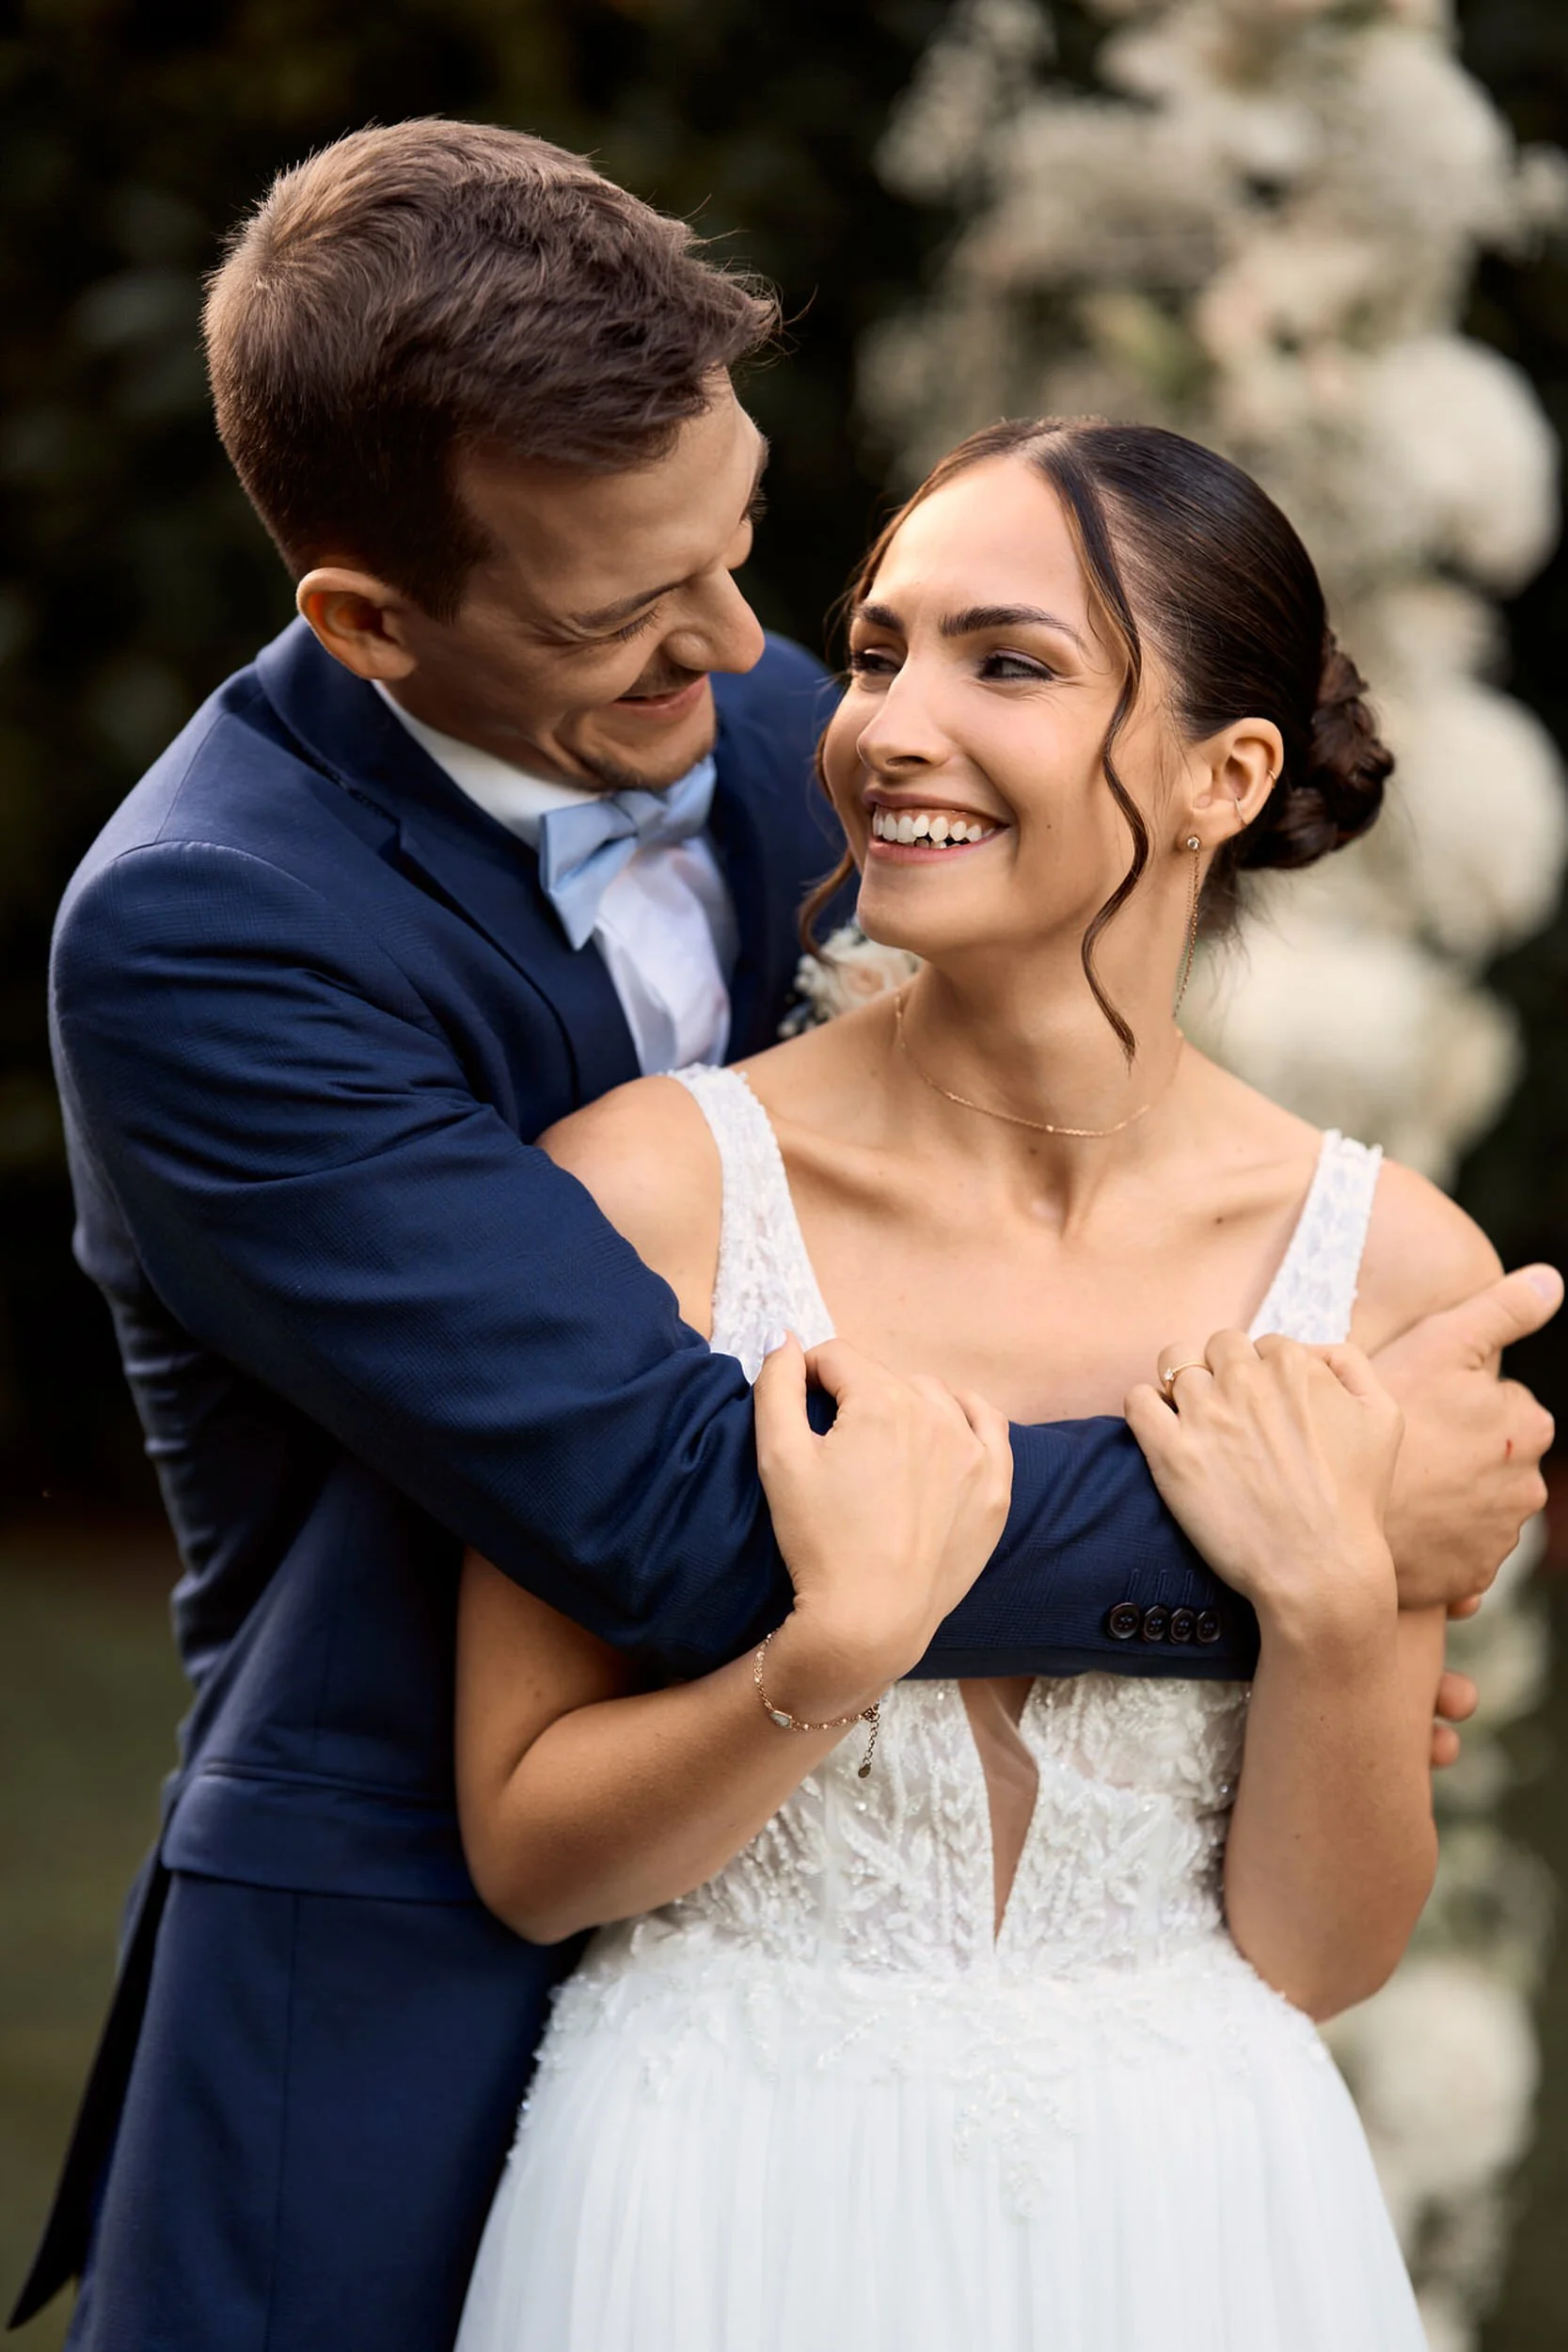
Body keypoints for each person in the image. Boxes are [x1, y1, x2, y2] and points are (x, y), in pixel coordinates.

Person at [11, 125, 1551, 2352]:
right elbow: (654, 1491)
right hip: (428, 1977)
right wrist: (1300, 1508)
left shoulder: (807, 742)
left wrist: (1313, 1615)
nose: (757, 663)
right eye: (628, 612)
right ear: (365, 618)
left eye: (746, 558)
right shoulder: (209, 937)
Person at [451, 419, 1533, 2350]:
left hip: (1193, 2216)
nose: (881, 726)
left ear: (1223, 774)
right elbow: (533, 1854)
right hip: (711, 2197)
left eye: (1003, 663)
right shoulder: (648, 1197)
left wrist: (1325, 1594)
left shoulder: (1388, 1274)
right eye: (875, 652)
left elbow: (1319, 1941)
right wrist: (826, 1654)